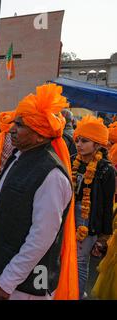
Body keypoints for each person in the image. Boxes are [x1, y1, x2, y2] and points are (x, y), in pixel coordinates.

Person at [0, 83, 79, 300]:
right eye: (15, 122)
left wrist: (7, 282)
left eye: (21, 125)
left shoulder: (51, 175)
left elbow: (41, 238)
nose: (12, 129)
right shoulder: (19, 156)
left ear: (41, 135)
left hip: (22, 290)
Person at [71, 115, 115, 299]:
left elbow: (106, 205)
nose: (79, 144)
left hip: (88, 220)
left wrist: (104, 237)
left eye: (84, 141)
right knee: (66, 259)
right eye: (78, 140)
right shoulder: (73, 160)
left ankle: (77, 295)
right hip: (69, 216)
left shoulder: (106, 169)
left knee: (81, 261)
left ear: (97, 144)